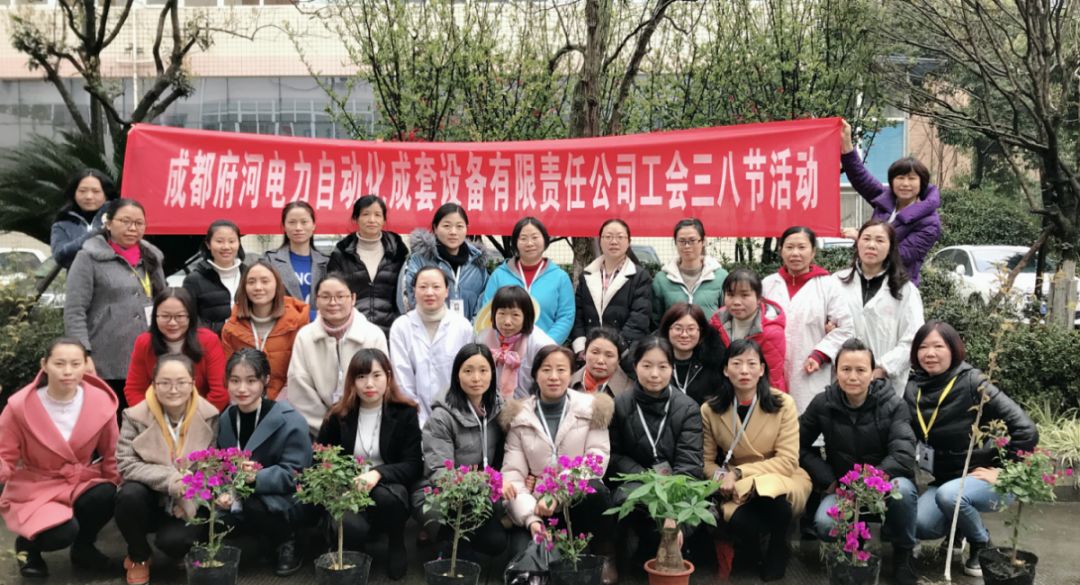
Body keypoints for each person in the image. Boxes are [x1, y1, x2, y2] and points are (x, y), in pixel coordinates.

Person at [905, 321, 1037, 578]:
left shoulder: (973, 382)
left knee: (950, 496)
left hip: (983, 479)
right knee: (919, 524)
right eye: (923, 347)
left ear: (953, 349)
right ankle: (959, 529)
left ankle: (981, 543)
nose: (929, 353)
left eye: (938, 346)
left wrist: (1005, 471)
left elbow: (1026, 429)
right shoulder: (913, 388)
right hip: (944, 481)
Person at [800, 339, 918, 585]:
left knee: (904, 492)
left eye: (861, 370)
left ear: (872, 372)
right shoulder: (823, 404)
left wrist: (867, 484)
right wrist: (828, 479)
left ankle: (903, 553)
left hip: (883, 485)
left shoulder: (893, 405)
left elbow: (903, 455)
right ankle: (854, 543)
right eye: (846, 369)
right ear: (836, 371)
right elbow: (796, 445)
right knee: (823, 523)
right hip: (842, 488)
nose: (852, 377)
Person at [0, 338, 120, 578]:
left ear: (86, 365)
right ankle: (28, 547)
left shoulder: (101, 402)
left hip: (81, 480)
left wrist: (118, 487)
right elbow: (4, 454)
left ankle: (83, 548)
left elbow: (111, 452)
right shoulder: (19, 406)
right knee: (62, 533)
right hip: (37, 484)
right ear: (44, 364)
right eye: (59, 363)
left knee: (107, 493)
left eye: (76, 364)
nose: (67, 371)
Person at [498, 346, 617, 584]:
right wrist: (532, 519)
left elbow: (596, 458)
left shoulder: (591, 408)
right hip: (537, 505)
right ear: (535, 375)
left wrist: (557, 493)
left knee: (597, 491)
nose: (554, 376)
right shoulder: (520, 416)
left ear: (571, 373)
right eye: (546, 369)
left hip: (576, 500)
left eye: (561, 370)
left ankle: (604, 553)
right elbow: (512, 474)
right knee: (522, 557)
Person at [702, 339, 811, 583]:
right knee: (740, 521)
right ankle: (757, 545)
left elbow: (787, 460)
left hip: (780, 476)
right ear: (725, 369)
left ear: (762, 369)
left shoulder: (783, 403)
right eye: (737, 363)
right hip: (735, 484)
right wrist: (722, 480)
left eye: (752, 364)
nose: (744, 371)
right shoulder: (710, 409)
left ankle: (777, 547)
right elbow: (707, 462)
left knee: (775, 500)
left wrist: (740, 472)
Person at [317, 348, 422, 581]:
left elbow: (413, 464)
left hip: (388, 487)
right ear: (352, 381)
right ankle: (359, 544)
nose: (369, 384)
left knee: (389, 499)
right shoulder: (338, 415)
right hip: (348, 488)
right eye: (361, 376)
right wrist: (340, 484)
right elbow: (319, 459)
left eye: (376, 375)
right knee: (349, 525)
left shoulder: (404, 413)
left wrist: (377, 474)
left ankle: (396, 541)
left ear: (388, 377)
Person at [115, 353, 220, 585]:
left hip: (186, 501)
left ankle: (179, 550)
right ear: (154, 384)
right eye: (165, 383)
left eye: (181, 383)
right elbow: (125, 463)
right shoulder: (134, 416)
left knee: (175, 542)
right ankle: (139, 556)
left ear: (193, 383)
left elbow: (211, 468)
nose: (173, 390)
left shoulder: (210, 416)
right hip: (150, 497)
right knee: (128, 496)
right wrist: (171, 480)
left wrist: (190, 494)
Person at [607, 336, 703, 562]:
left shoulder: (687, 408)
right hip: (636, 481)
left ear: (672, 368)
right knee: (624, 501)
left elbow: (689, 465)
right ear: (635, 366)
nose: (654, 374)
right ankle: (618, 553)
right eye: (647, 366)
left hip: (676, 486)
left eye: (663, 366)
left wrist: (674, 513)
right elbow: (613, 455)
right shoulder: (620, 405)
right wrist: (646, 477)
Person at [217, 349, 312, 577]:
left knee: (253, 504)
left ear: (265, 380)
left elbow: (296, 473)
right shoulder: (226, 418)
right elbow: (221, 465)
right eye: (235, 381)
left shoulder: (290, 420)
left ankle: (288, 541)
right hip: (241, 495)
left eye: (251, 381)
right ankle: (262, 540)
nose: (242, 389)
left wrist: (256, 477)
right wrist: (222, 490)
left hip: (284, 497)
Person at [65, 198, 166, 409]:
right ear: (108, 223)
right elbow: (75, 311)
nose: (133, 228)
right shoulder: (88, 258)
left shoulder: (152, 258)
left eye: (139, 223)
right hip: (105, 359)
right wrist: (82, 354)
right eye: (125, 221)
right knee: (109, 422)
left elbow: (163, 303)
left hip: (149, 355)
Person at [416, 344, 507, 560]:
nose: (476, 378)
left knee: (496, 543)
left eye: (483, 371)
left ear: (492, 375)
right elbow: (439, 473)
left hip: (484, 491)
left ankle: (456, 544)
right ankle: (449, 549)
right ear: (457, 375)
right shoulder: (442, 417)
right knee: (486, 535)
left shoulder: (499, 409)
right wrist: (484, 481)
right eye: (468, 371)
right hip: (442, 493)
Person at [762, 226, 854, 413]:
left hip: (810, 369)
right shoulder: (768, 284)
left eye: (802, 247)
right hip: (771, 368)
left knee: (808, 422)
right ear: (780, 250)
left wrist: (819, 355)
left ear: (813, 251)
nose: (795, 253)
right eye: (789, 247)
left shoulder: (828, 285)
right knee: (773, 423)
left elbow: (846, 329)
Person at [840, 120, 941, 285]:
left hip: (897, 287)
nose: (905, 184)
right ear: (892, 181)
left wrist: (862, 238)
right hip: (864, 280)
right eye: (900, 178)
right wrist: (847, 145)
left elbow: (901, 256)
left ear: (922, 183)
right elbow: (860, 177)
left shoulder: (930, 222)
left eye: (911, 179)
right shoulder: (885, 200)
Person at [287, 273, 389, 435]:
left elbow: (381, 383)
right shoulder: (305, 337)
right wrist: (328, 427)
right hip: (316, 431)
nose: (333, 302)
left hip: (367, 427)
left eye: (340, 296)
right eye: (325, 297)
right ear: (316, 300)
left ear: (353, 298)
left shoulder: (373, 335)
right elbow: (299, 387)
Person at [834, 220, 924, 395]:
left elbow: (912, 338)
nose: (871, 245)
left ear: (890, 248)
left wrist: (882, 369)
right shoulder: (835, 283)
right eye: (866, 238)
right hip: (842, 381)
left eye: (880, 240)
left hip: (884, 386)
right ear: (857, 243)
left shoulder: (905, 291)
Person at [389, 266, 475, 425]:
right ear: (414, 290)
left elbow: (468, 375)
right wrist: (416, 415)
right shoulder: (401, 327)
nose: (429, 292)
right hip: (413, 418)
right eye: (423, 287)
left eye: (436, 287)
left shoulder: (462, 327)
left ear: (447, 291)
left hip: (456, 416)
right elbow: (401, 378)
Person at [123, 288, 230, 411]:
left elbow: (220, 392)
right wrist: (153, 419)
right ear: (155, 317)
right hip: (155, 418)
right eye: (165, 316)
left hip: (201, 417)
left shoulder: (208, 340)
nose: (172, 323)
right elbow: (134, 390)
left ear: (191, 317)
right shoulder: (144, 343)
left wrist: (193, 421)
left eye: (180, 316)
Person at [220, 260, 310, 400]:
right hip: (245, 402)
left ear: (277, 285)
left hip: (289, 403)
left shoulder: (298, 324)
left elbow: (302, 372)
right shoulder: (231, 328)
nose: (258, 287)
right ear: (244, 287)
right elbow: (229, 375)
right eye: (251, 282)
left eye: (265, 281)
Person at [482, 217, 575, 345]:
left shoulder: (560, 278)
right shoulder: (499, 275)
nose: (529, 243)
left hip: (545, 351)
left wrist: (546, 344)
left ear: (545, 240)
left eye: (535, 237)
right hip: (505, 351)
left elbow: (566, 316)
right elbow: (487, 312)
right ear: (515, 242)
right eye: (523, 238)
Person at [327, 195, 408, 335]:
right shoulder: (341, 253)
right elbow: (332, 292)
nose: (372, 220)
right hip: (352, 331)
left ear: (384, 220)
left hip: (392, 332)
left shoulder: (398, 252)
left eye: (377, 215)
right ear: (356, 218)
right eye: (366, 214)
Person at [570, 219, 653, 355]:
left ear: (628, 242)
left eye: (620, 237)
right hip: (590, 354)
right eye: (608, 237)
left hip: (625, 354)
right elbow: (578, 316)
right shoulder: (586, 275)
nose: (614, 242)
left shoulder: (640, 277)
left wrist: (616, 350)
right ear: (600, 241)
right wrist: (581, 349)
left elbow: (639, 319)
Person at [400, 203, 491, 322]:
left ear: (466, 229)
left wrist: (470, 332)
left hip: (468, 336)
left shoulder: (477, 264)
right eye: (447, 226)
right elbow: (409, 298)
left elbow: (484, 305)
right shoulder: (419, 260)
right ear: (435, 228)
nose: (453, 232)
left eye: (459, 226)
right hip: (428, 334)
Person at [708, 269, 787, 391]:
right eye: (730, 295)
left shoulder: (771, 332)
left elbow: (772, 378)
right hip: (723, 395)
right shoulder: (716, 322)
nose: (736, 302)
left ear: (759, 298)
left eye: (745, 295)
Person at [475, 285, 556, 400]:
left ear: (526, 316)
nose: (507, 322)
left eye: (515, 315)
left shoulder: (541, 344)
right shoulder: (482, 339)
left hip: (530, 407)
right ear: (493, 314)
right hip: (490, 406)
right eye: (501, 314)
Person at [652, 218, 728, 324]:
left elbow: (727, 315)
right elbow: (656, 320)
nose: (687, 246)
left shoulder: (721, 277)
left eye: (692, 241)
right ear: (675, 243)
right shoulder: (662, 279)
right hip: (673, 340)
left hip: (710, 339)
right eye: (682, 241)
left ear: (703, 241)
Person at [262, 201, 329, 319]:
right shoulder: (269, 261)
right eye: (292, 222)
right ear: (284, 226)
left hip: (320, 329)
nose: (298, 228)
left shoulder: (327, 262)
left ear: (313, 225)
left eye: (304, 222)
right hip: (282, 327)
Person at [183, 220, 248, 335]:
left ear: (238, 243)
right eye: (219, 241)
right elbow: (188, 318)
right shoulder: (194, 280)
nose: (226, 247)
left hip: (248, 345)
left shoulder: (249, 275)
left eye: (232, 241)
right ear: (208, 244)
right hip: (211, 346)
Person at [656, 303, 725, 405]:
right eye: (678, 328)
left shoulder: (713, 364)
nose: (684, 335)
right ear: (667, 330)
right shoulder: (655, 362)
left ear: (700, 331)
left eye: (691, 329)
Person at [50, 168, 118, 270]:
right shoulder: (62, 223)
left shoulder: (119, 217)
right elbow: (61, 256)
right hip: (79, 282)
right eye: (82, 191)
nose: (89, 196)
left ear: (106, 194)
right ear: (74, 193)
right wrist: (97, 232)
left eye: (96, 191)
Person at [569, 328, 632, 397]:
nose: (600, 361)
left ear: (618, 360)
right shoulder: (567, 384)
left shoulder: (629, 393)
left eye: (609, 355)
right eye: (595, 352)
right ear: (584, 354)